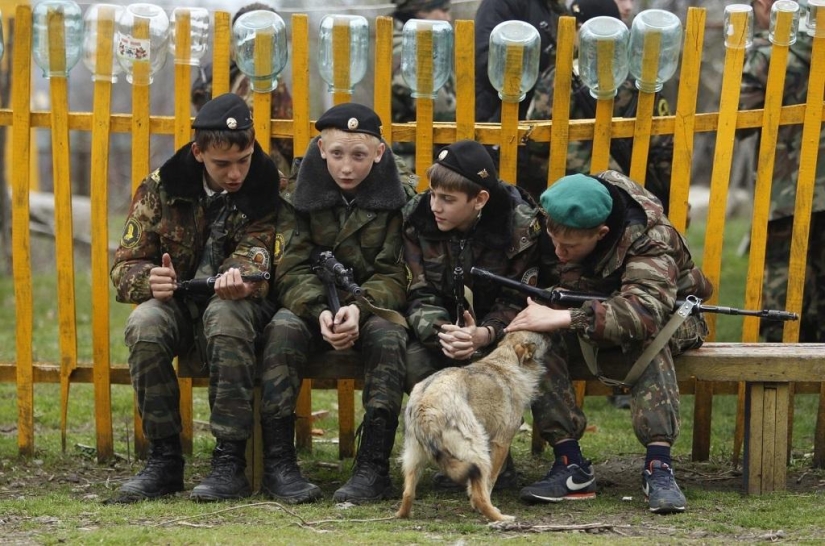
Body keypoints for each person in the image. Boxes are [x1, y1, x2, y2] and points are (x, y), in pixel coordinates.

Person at [110, 93, 283, 503]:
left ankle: (229, 461)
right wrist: (150, 280)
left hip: (241, 307)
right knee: (144, 324)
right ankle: (165, 458)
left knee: (225, 314)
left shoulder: (267, 186)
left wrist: (241, 280)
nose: (236, 173)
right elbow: (124, 265)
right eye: (223, 164)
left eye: (243, 159)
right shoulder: (161, 188)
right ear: (198, 152)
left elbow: (262, 257)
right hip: (179, 306)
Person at [506, 171, 713, 513]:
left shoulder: (650, 237)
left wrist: (569, 317)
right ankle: (570, 464)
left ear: (601, 234)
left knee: (648, 340)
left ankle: (658, 465)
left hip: (672, 317)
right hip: (591, 311)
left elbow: (645, 311)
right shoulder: (555, 213)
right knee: (534, 341)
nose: (557, 252)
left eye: (569, 247)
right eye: (553, 241)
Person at [260, 103, 414, 504]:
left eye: (359, 155)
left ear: (379, 153)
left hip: (371, 306)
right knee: (282, 329)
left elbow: (396, 272)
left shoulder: (401, 197)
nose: (347, 167)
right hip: (313, 305)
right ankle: (279, 463)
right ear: (321, 149)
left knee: (389, 334)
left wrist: (359, 309)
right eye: (337, 154)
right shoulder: (296, 194)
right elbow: (289, 267)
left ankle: (373, 467)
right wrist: (320, 310)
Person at [402, 139, 543, 490]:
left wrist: (486, 334)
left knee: (522, 359)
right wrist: (443, 332)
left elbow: (520, 296)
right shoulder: (417, 219)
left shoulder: (520, 228)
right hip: (446, 330)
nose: (435, 206)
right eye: (433, 194)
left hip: (502, 331)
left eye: (448, 200)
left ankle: (501, 462)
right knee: (414, 360)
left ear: (479, 200)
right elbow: (417, 290)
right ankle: (460, 455)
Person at [524, 0, 674, 212]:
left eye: (576, 26)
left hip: (570, 195)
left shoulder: (561, 77)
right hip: (633, 193)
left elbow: (536, 140)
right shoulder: (641, 77)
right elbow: (663, 145)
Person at [740, 0, 825, 343]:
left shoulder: (767, 51)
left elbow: (739, 119)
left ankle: (776, 353)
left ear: (764, 5)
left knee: (779, 273)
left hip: (784, 189)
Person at [191, 3, 294, 181]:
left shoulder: (221, 74)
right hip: (262, 170)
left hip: (219, 165)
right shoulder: (267, 80)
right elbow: (289, 139)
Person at [474, 0, 570, 124]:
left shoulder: (549, 5)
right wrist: (541, 84)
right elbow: (487, 61)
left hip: (534, 118)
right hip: (497, 115)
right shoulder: (502, 3)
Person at [390, 0, 457, 170]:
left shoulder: (424, 42)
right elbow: (440, 108)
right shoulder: (405, 45)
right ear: (421, 12)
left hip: (429, 153)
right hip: (412, 160)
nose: (448, 18)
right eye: (442, 10)